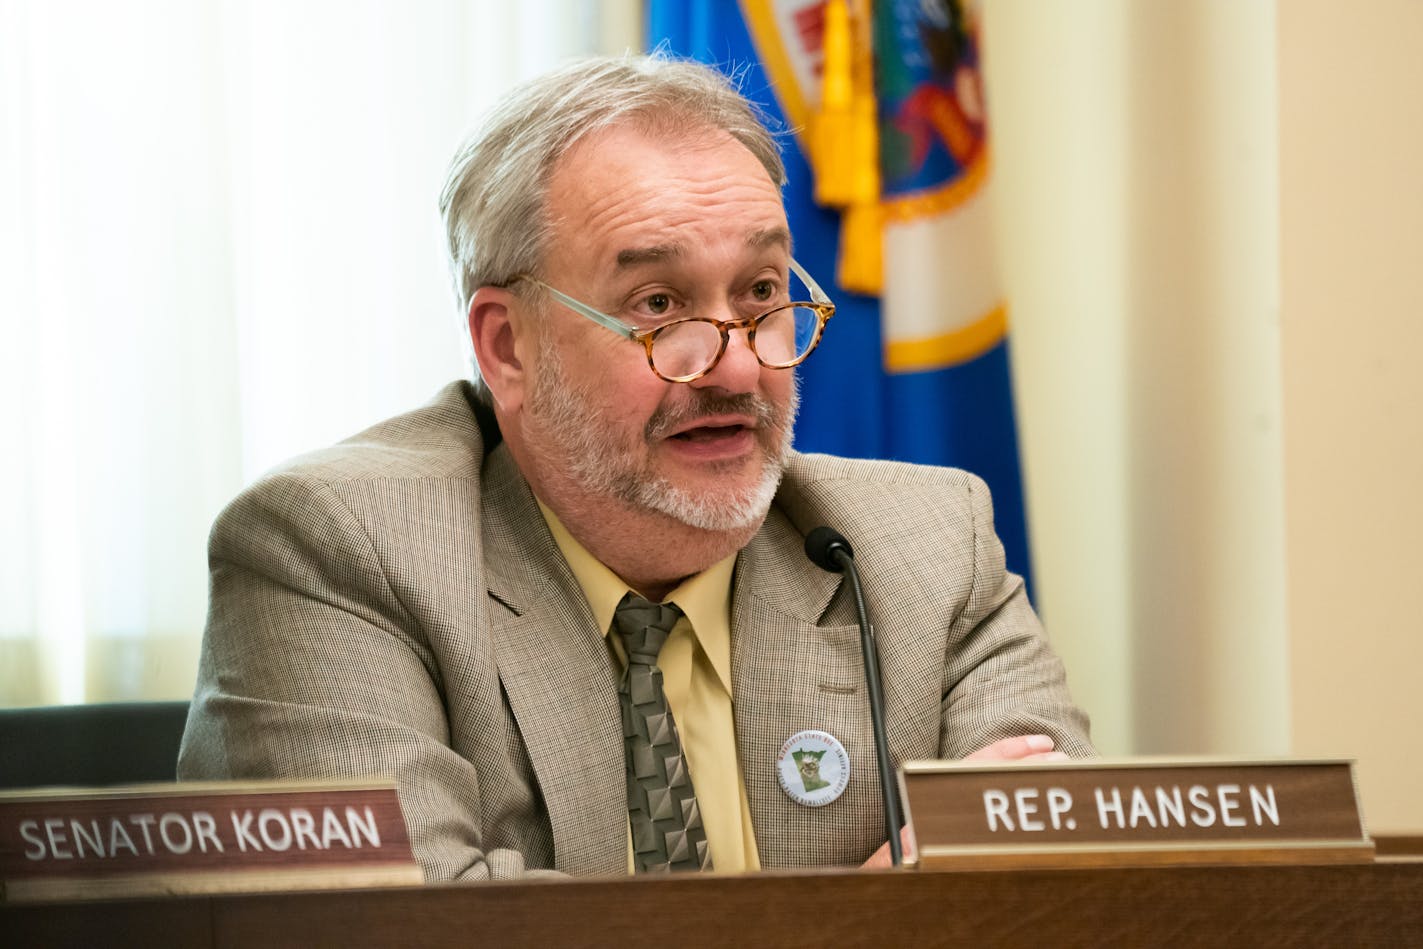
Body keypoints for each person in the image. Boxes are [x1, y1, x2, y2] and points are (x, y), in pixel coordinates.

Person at [178, 53, 1092, 881]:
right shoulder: (337, 554)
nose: (739, 365)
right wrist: (863, 922)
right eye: (659, 306)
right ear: (508, 348)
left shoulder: (926, 547)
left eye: (763, 294)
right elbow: (407, 934)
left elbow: (1052, 890)